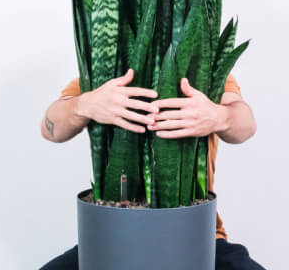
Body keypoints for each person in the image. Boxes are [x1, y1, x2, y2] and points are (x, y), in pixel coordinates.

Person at [39, 68, 264, 270]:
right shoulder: (105, 76)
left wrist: (220, 116)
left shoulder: (204, 70)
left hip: (198, 237)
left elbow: (246, 124)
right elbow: (50, 128)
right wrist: (84, 105)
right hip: (112, 238)